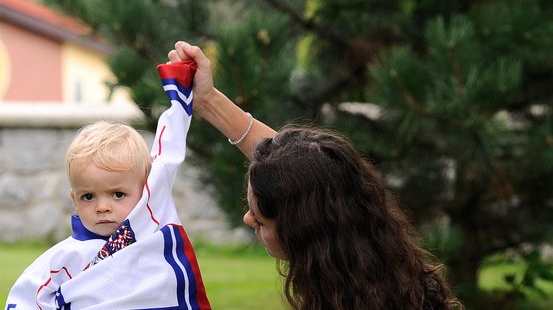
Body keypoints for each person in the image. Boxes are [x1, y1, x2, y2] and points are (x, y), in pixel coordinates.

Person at [167, 41, 461, 310]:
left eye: (259, 219)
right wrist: (206, 100)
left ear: (302, 231)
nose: (247, 219)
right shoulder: (399, 282)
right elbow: (297, 167)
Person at [5, 61, 210, 309]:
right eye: (88, 197)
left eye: (117, 194)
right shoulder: (65, 258)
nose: (103, 207)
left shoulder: (149, 220)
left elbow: (169, 153)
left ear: (145, 191)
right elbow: (24, 298)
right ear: (74, 199)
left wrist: (180, 94)